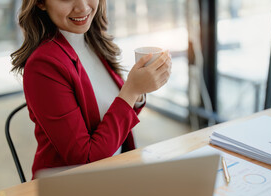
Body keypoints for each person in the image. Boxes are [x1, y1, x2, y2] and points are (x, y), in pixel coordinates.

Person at [11, 0, 172, 178]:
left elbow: (112, 119)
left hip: (113, 177)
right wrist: (132, 90)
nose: (83, 7)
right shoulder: (43, 65)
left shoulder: (91, 40)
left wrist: (140, 88)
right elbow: (85, 160)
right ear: (40, 3)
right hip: (70, 189)